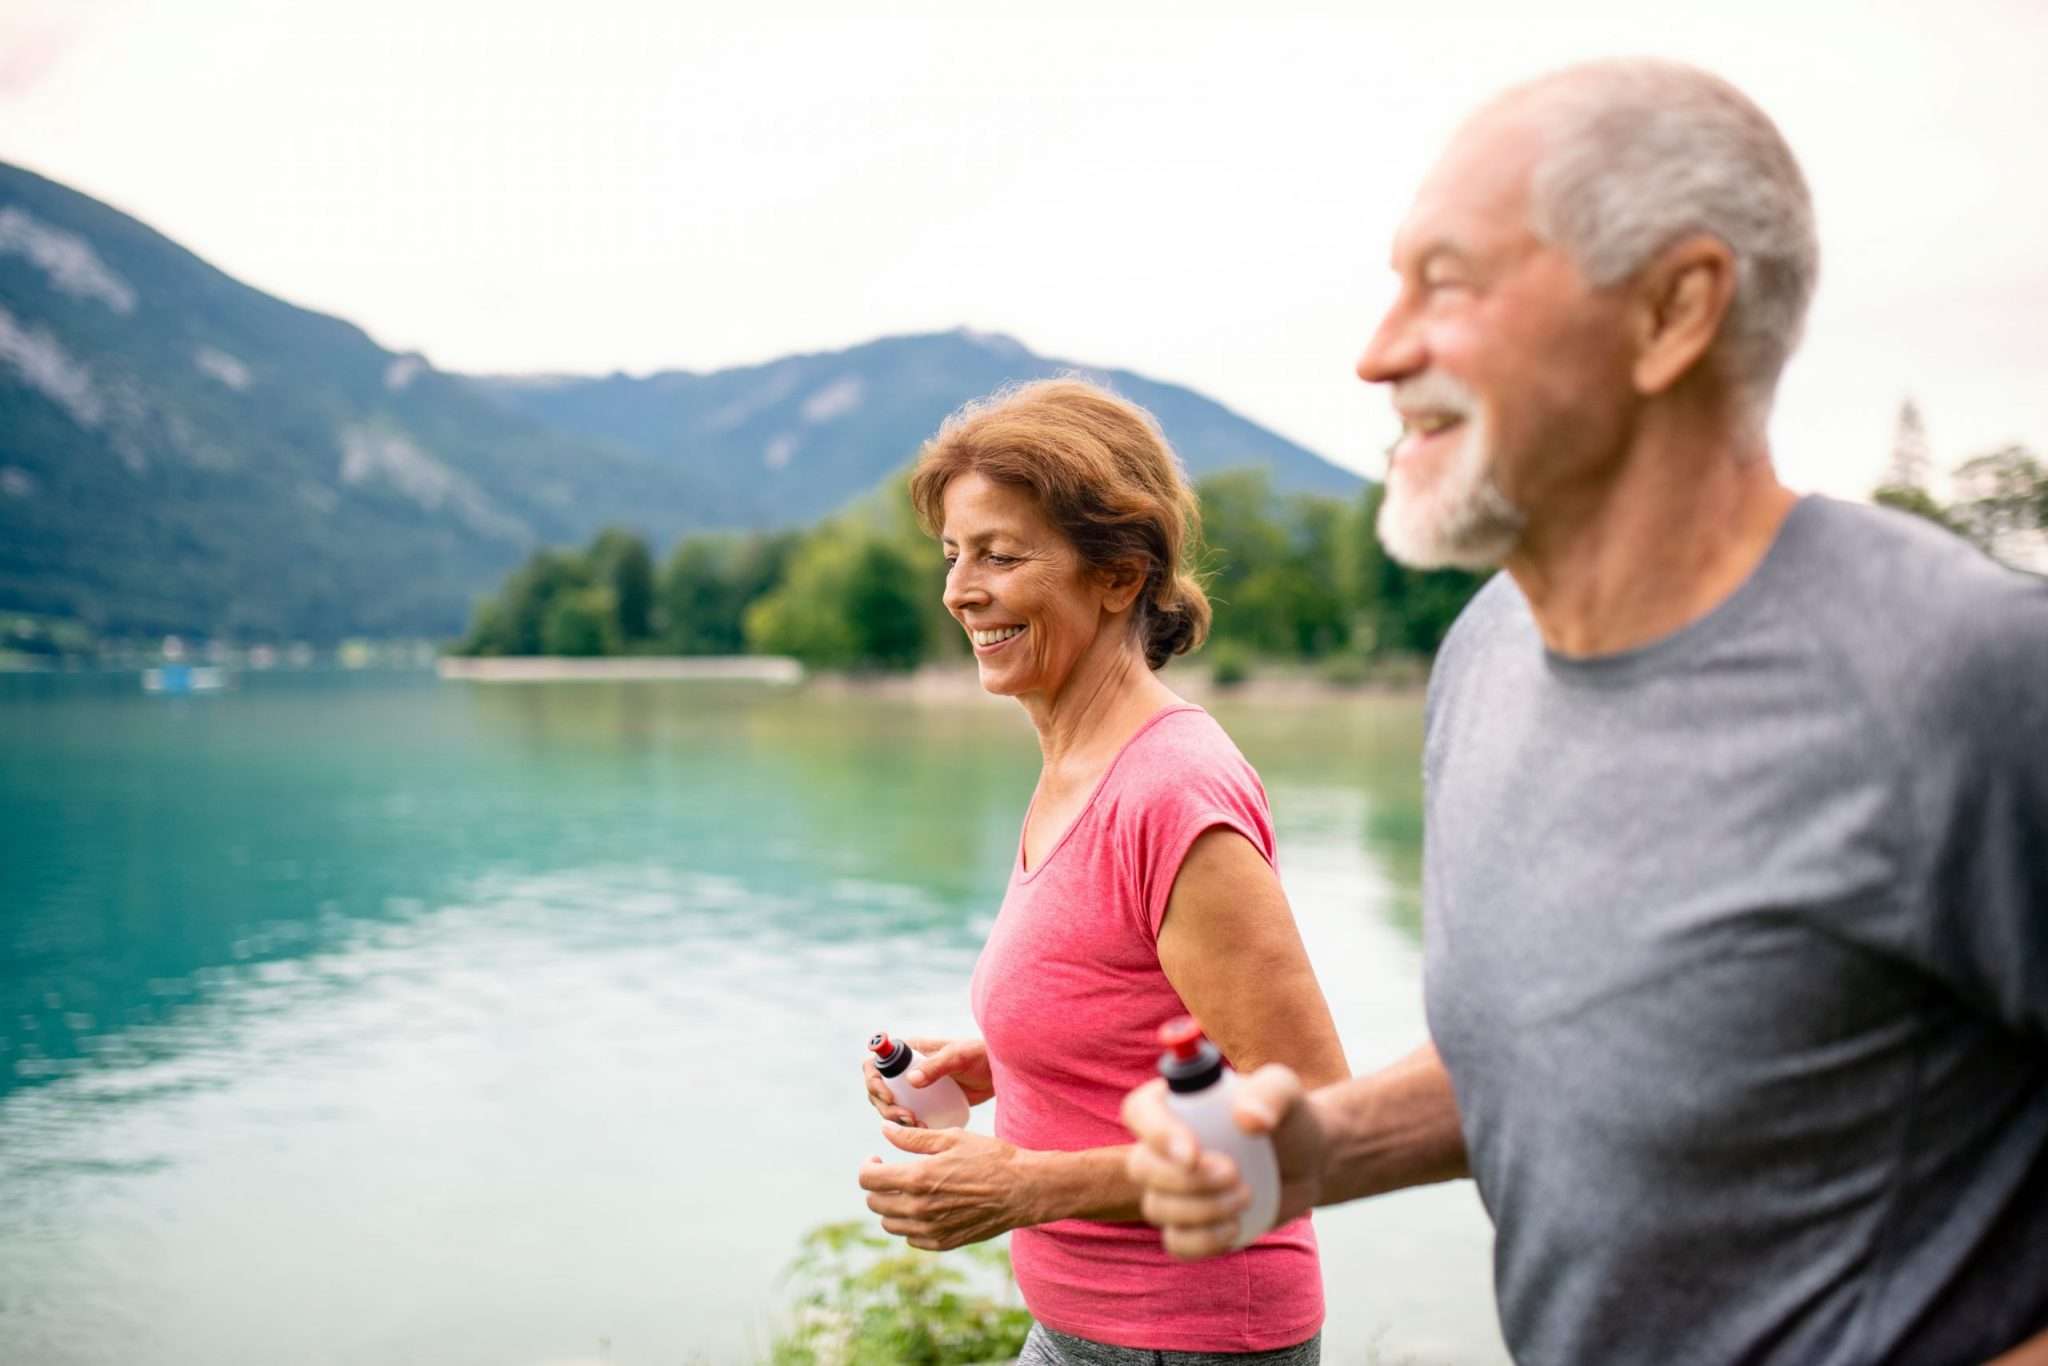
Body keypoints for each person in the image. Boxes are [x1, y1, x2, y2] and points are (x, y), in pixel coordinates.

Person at [1120, 57, 2048, 1366]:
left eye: (1446, 282)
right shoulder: (1488, 656)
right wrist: (1313, 1148)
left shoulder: (1965, 680)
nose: (1379, 352)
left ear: (1673, 311)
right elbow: (1578, 1058)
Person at [856, 378, 1349, 1362]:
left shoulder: (1169, 788)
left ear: (1119, 575)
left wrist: (1025, 1185)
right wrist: (1000, 1060)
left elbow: (1318, 1119)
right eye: (953, 554)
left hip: (1191, 1338)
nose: (960, 588)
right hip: (1085, 1330)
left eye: (1001, 554)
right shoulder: (1072, 763)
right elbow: (1151, 1020)